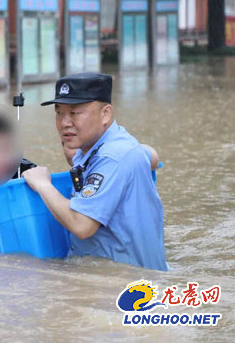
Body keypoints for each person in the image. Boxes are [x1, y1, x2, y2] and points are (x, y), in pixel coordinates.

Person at [22, 72, 168, 271]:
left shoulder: (112, 157)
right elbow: (153, 156)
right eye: (59, 113)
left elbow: (82, 226)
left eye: (75, 113)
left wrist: (43, 185)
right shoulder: (115, 145)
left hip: (121, 285)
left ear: (105, 114)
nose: (64, 122)